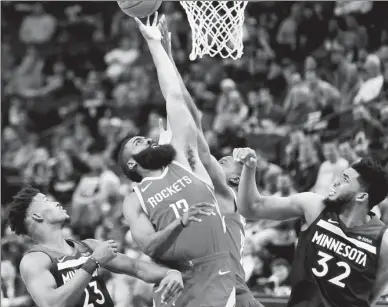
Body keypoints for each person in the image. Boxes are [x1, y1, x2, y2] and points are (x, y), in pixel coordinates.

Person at [118, 14, 235, 307]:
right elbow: (147, 245)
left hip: (214, 271)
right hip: (174, 279)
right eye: (137, 142)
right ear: (131, 164)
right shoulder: (134, 200)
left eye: (145, 138)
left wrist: (155, 44)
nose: (146, 139)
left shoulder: (181, 158)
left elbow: (174, 95)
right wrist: (178, 224)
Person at [157, 15, 264, 307]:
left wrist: (166, 58)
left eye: (230, 161)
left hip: (231, 292)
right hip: (213, 290)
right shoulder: (208, 190)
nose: (224, 157)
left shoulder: (226, 193)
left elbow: (195, 122)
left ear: (235, 180)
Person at [234, 147, 388, 307]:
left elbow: (370, 299)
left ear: (362, 196)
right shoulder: (314, 207)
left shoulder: (383, 241)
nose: (336, 182)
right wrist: (249, 168)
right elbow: (251, 207)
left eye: (345, 180)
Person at [7, 186, 183, 307]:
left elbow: (136, 267)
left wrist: (170, 273)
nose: (57, 203)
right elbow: (53, 304)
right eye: (46, 201)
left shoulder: (88, 246)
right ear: (37, 215)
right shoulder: (34, 260)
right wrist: (93, 262)